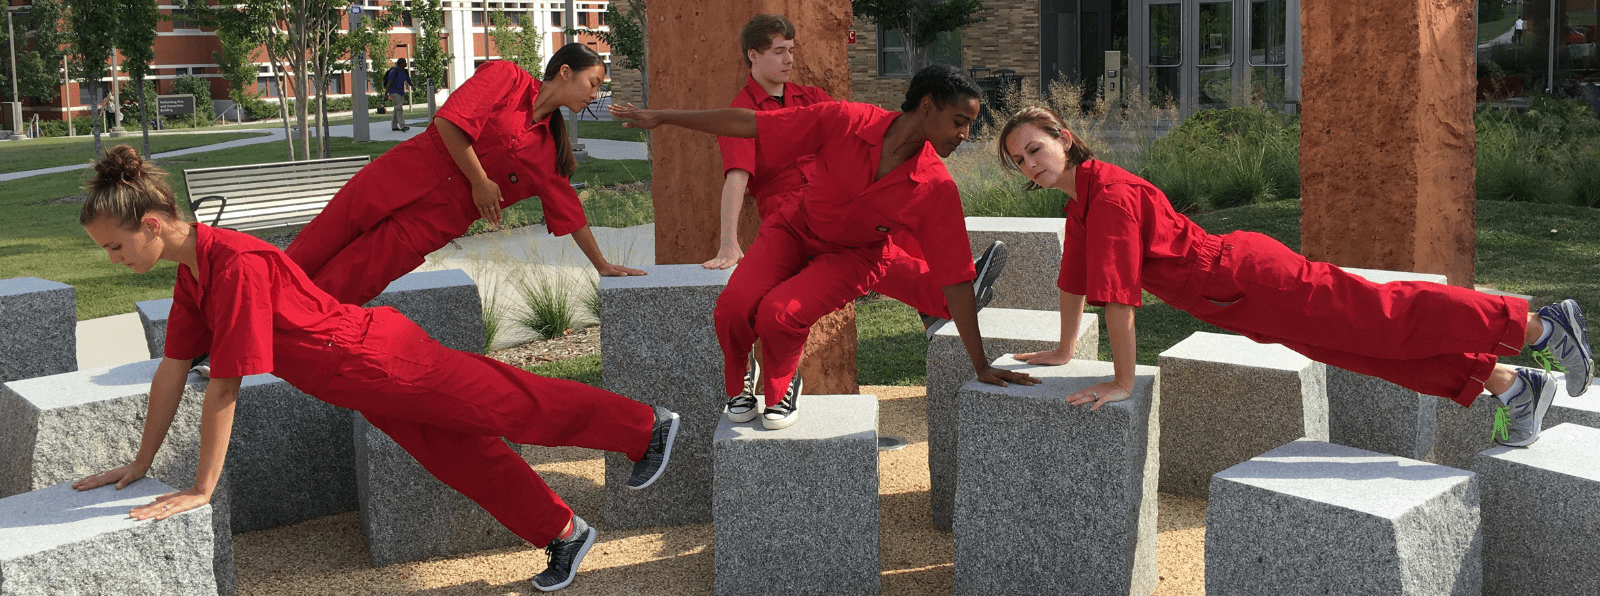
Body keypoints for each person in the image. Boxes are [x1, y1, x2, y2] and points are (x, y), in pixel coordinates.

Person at [71, 146, 679, 592]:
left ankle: (645, 427)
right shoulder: (193, 276)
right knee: (461, 457)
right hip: (360, 383)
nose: (113, 258)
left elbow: (224, 386)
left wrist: (200, 489)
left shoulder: (233, 265)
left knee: (510, 403)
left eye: (114, 246)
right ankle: (563, 533)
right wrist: (140, 463)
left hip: (382, 361)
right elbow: (172, 372)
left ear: (150, 224)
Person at [996, 106, 1593, 447]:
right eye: (1018, 159)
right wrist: (1065, 347)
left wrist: (1123, 382)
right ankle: (1511, 386)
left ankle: (1537, 325)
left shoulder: (1111, 196)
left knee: (1384, 314)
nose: (1030, 163)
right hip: (1239, 301)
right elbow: (1074, 280)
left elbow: (1117, 302)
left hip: (1254, 278)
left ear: (1063, 138)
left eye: (1034, 147)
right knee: (1363, 350)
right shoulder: (1080, 203)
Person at [612, 65, 1039, 429]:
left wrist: (979, 364)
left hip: (853, 257)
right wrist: (665, 116)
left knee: (779, 315)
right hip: (794, 229)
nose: (966, 134)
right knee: (732, 306)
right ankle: (741, 370)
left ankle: (782, 386)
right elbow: (750, 125)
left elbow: (957, 279)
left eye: (969, 124)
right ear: (927, 107)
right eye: (959, 121)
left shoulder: (935, 186)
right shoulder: (847, 121)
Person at [286, 44, 646, 309]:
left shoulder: (551, 148)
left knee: (347, 283)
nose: (595, 94)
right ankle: (248, 309)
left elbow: (570, 212)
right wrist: (480, 181)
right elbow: (448, 122)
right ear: (565, 71)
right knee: (314, 246)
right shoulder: (507, 77)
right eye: (593, 82)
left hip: (432, 222)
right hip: (402, 174)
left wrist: (602, 265)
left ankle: (279, 335)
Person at [705, 14, 839, 419]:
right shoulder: (741, 112)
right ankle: (749, 374)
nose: (788, 59)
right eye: (778, 51)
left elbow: (855, 135)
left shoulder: (812, 98)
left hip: (830, 209)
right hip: (786, 223)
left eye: (791, 51)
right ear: (753, 55)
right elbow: (736, 177)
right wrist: (729, 240)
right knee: (744, 305)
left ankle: (944, 290)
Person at [384, 58, 412, 132]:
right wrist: (385, 94)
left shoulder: (405, 71)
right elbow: (389, 83)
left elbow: (408, 80)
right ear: (401, 63)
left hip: (401, 92)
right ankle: (403, 126)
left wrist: (412, 86)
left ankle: (394, 126)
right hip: (393, 92)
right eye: (405, 63)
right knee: (399, 108)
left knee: (397, 109)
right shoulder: (394, 71)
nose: (406, 64)